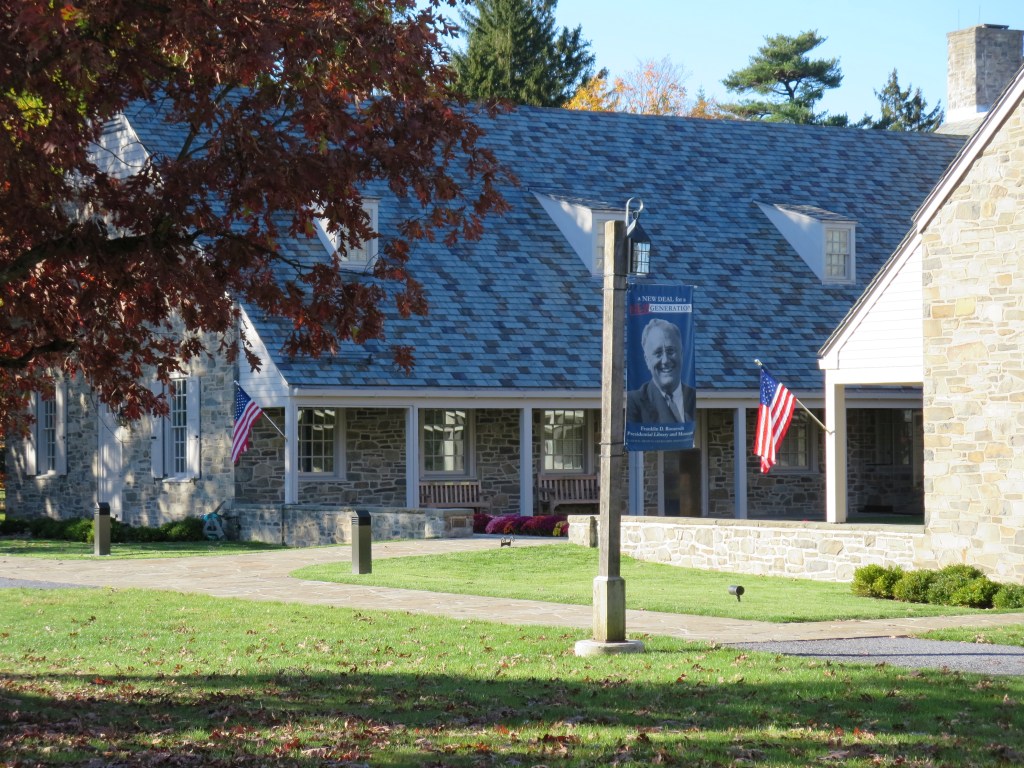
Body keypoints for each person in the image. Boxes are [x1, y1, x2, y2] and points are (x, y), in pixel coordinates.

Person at [627, 318, 695, 425]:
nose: (665, 360)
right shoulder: (634, 402)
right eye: (658, 353)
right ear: (647, 360)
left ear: (681, 354)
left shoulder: (693, 396)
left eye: (670, 351)